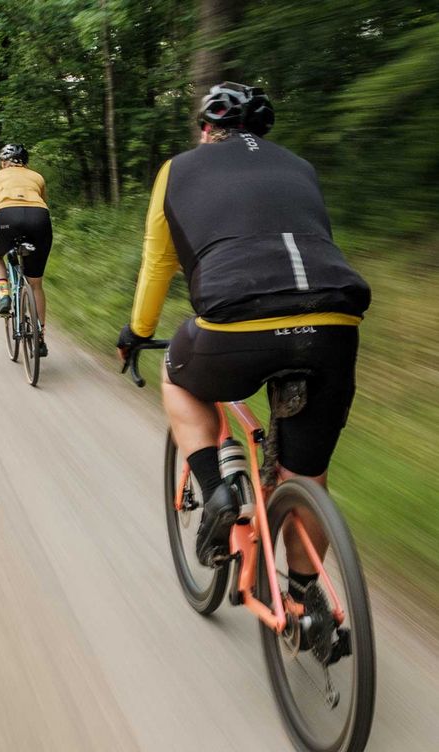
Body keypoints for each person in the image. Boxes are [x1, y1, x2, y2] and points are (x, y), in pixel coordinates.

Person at [117, 81, 371, 577]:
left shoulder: (177, 169)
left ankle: (216, 492)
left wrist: (138, 331)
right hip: (335, 323)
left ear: (206, 129)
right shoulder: (300, 167)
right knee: (307, 477)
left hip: (236, 319)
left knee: (176, 376)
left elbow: (160, 261)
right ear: (261, 129)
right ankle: (305, 601)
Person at [0, 143, 52, 357]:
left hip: (6, 218)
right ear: (26, 163)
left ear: (3, 163)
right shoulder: (37, 177)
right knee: (36, 283)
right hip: (39, 220)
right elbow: (40, 204)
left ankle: (4, 295)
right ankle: (39, 338)